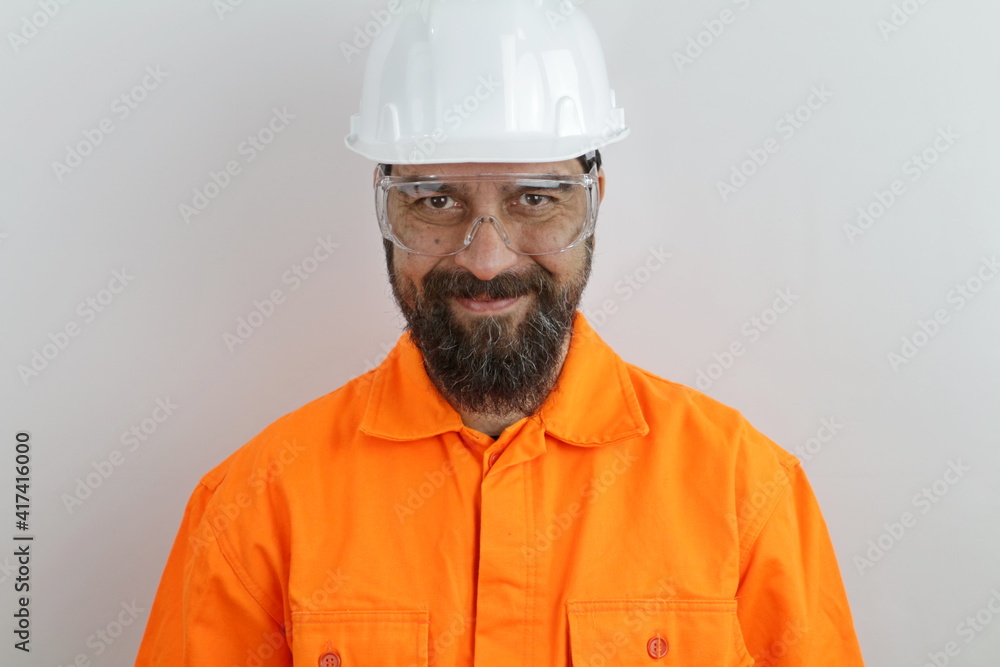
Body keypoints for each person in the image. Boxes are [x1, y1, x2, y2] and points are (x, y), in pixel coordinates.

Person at [135, 1, 865, 665]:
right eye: (435, 199)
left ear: (593, 202)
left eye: (536, 198)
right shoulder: (253, 510)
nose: (486, 256)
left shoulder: (747, 495)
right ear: (384, 210)